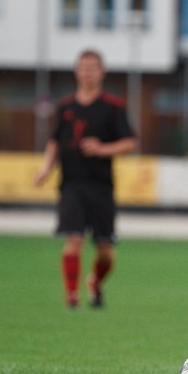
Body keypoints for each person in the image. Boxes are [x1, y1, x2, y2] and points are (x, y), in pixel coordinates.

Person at [35, 49, 137, 309]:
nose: (88, 72)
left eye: (93, 67)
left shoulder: (113, 106)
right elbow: (55, 141)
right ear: (76, 71)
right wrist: (46, 168)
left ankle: (95, 281)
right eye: (84, 67)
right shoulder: (65, 106)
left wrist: (102, 148)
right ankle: (72, 296)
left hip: (101, 186)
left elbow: (129, 142)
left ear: (102, 72)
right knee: (74, 239)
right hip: (71, 184)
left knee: (105, 251)